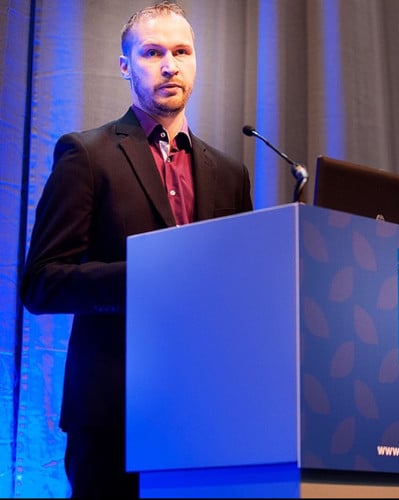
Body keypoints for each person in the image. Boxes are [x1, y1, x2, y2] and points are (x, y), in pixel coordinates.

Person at [20, 1, 253, 498]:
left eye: (182, 51)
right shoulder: (86, 155)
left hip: (206, 415)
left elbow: (237, 290)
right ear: (125, 66)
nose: (170, 65)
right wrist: (149, 276)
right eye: (152, 52)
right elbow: (42, 282)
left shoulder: (231, 174)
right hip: (113, 416)